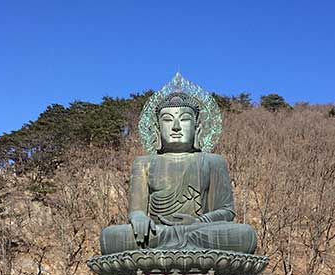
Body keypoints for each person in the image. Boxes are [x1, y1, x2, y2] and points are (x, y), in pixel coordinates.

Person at [100, 88, 257, 255]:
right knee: (111, 236)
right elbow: (137, 210)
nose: (176, 127)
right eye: (167, 120)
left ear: (197, 128)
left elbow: (227, 211)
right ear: (158, 129)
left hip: (200, 230)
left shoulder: (213, 161)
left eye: (184, 119)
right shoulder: (143, 163)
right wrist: (138, 218)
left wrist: (199, 221)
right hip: (157, 232)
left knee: (245, 234)